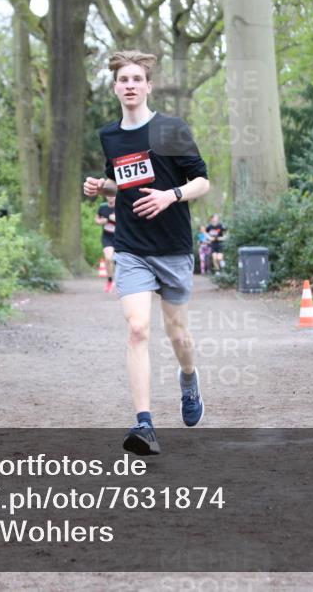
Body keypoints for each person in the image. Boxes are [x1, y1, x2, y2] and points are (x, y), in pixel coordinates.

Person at [82, 50, 210, 456]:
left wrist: (171, 196)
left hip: (172, 247)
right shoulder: (111, 136)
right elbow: (128, 182)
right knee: (137, 328)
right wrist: (102, 187)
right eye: (124, 79)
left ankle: (188, 378)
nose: (131, 85)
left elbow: (201, 182)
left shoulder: (169, 129)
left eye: (137, 78)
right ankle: (144, 424)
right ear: (116, 87)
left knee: (177, 334)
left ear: (148, 85)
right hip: (132, 245)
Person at [95, 195, 117, 292]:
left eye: (112, 195)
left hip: (120, 237)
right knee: (108, 258)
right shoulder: (103, 207)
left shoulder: (120, 205)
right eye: (108, 195)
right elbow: (97, 220)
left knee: (120, 261)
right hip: (107, 237)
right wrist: (104, 220)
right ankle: (110, 280)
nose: (110, 197)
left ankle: (120, 281)